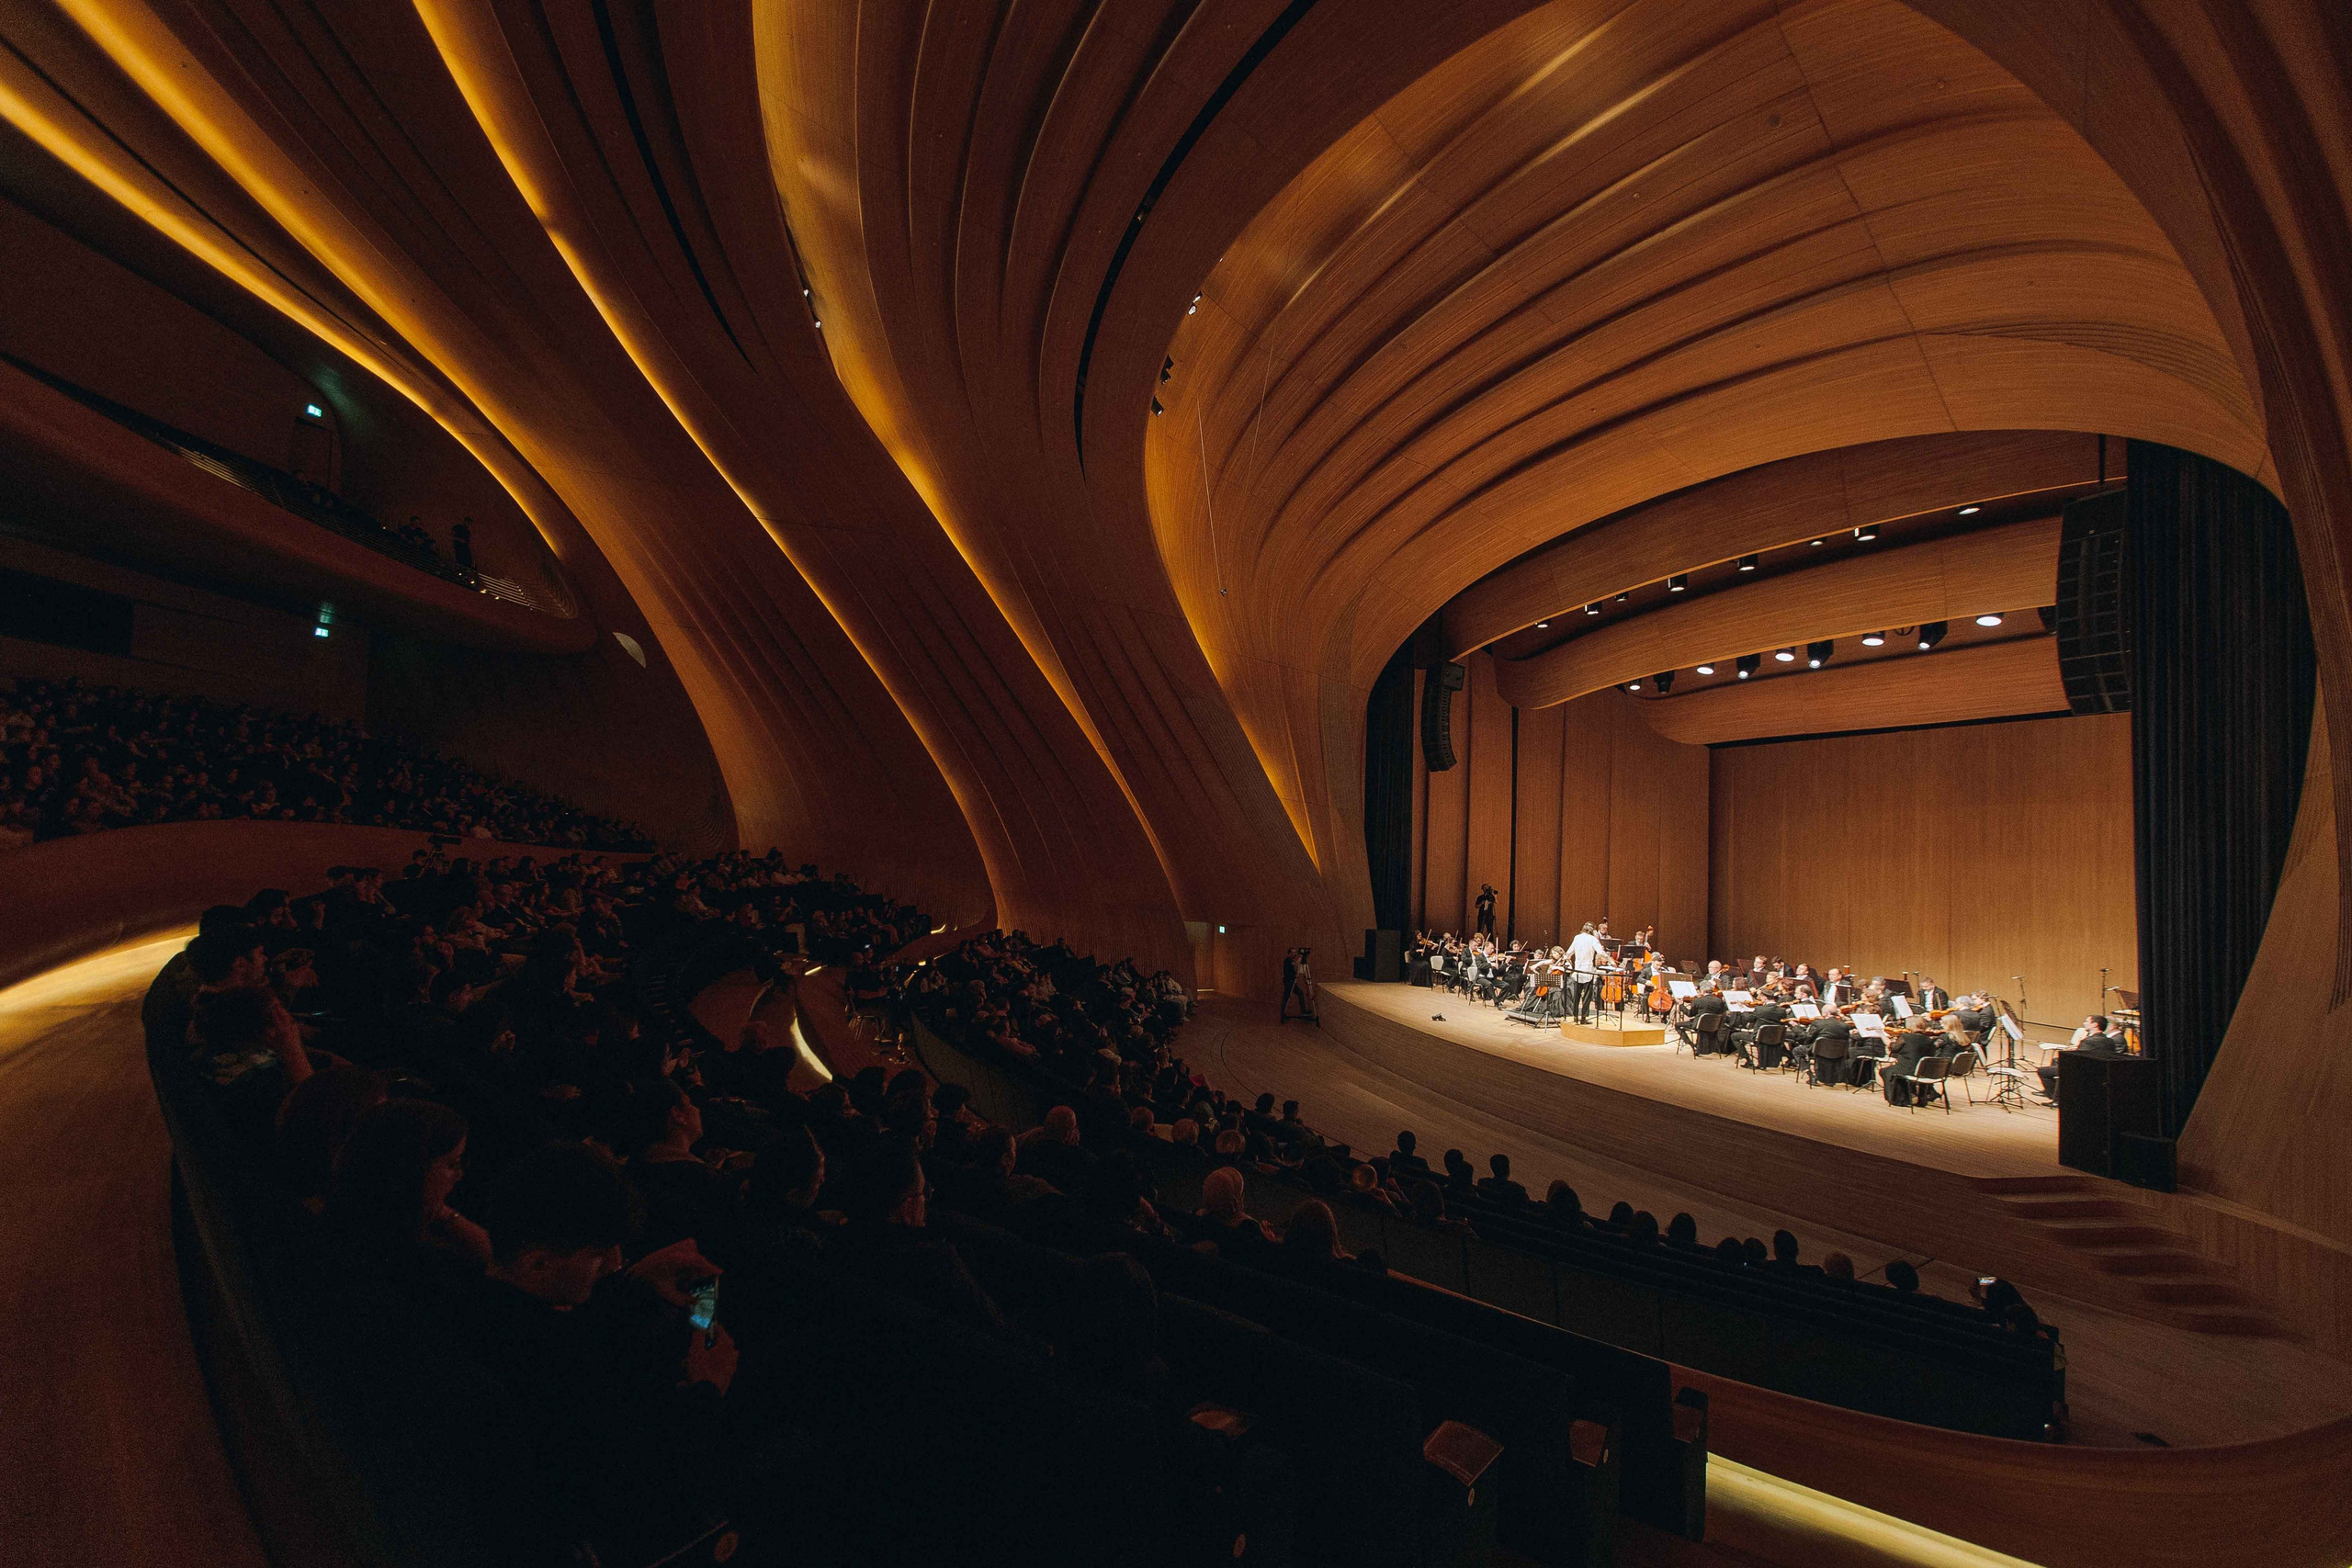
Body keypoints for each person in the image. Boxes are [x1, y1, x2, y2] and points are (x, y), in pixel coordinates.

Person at [2037, 1016, 2128, 1100]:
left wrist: (2069, 1053)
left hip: (2084, 1069)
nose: (2084, 1023)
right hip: (2098, 1067)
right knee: (2056, 1061)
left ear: (2095, 1025)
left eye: (2087, 1021)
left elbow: (2078, 1058)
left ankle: (2057, 1098)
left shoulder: (2089, 1040)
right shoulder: (2108, 1040)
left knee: (2042, 1071)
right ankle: (2057, 1093)